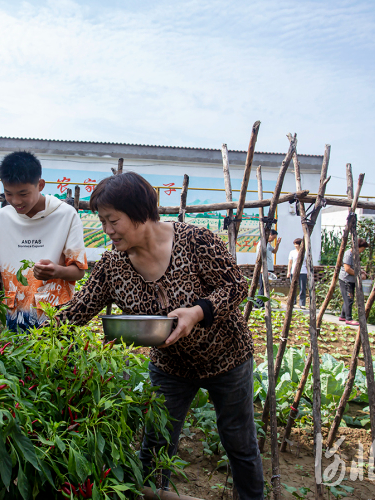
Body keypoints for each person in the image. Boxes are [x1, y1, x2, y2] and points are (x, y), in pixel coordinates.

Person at [57, 172, 264, 499]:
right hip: (170, 366)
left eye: (113, 221)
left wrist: (196, 312)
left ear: (140, 213)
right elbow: (76, 311)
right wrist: (36, 335)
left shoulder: (194, 240)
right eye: (102, 221)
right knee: (155, 444)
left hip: (226, 358)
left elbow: (236, 286)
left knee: (239, 442)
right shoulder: (113, 265)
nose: (107, 231)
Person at [0, 151, 87, 331]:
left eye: (23, 193)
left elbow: (79, 272)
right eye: (9, 193)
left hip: (57, 317)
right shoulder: (2, 218)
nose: (16, 201)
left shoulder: (65, 215)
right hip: (16, 315)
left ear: (40, 185)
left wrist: (56, 271)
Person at [338, 238, 369, 326]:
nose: (362, 251)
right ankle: (348, 318)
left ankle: (343, 316)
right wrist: (358, 275)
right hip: (345, 279)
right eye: (362, 249)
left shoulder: (355, 255)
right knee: (349, 298)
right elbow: (347, 269)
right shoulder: (349, 254)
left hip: (351, 280)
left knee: (348, 298)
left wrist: (361, 271)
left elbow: (354, 267)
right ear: (358, 247)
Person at [256, 229, 281, 300]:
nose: (273, 239)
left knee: (266, 286)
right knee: (263, 286)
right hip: (264, 268)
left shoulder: (268, 244)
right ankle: (260, 303)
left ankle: (261, 302)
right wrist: (261, 268)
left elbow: (274, 251)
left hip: (269, 268)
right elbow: (259, 256)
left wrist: (278, 244)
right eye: (273, 237)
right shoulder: (262, 244)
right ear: (269, 234)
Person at [287, 238, 308, 308]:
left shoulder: (305, 252)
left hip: (303, 272)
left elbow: (308, 263)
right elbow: (290, 262)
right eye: (295, 245)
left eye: (297, 245)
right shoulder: (292, 252)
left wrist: (308, 272)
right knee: (293, 287)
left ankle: (302, 303)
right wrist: (288, 271)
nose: (295, 246)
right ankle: (293, 302)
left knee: (302, 288)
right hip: (294, 272)